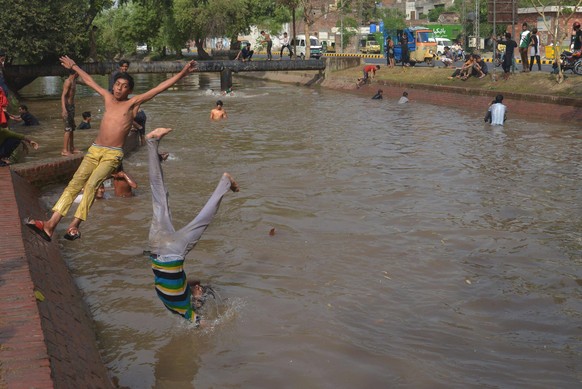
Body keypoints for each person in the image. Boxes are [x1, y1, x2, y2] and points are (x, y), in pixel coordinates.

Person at [24, 56, 198, 243]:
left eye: (124, 86)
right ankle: (50, 225)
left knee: (91, 185)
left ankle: (74, 225)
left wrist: (182, 73)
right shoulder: (108, 98)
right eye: (117, 84)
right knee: (74, 185)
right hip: (94, 150)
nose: (119, 88)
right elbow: (89, 80)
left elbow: (159, 88)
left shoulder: (132, 104)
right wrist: (74, 66)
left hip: (112, 153)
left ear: (129, 90)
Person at [145, 127, 239, 326]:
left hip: (174, 252)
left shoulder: (185, 310)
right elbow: (185, 282)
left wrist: (200, 302)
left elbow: (202, 325)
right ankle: (151, 142)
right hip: (155, 247)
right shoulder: (169, 300)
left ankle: (225, 183)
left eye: (198, 292)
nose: (198, 289)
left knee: (202, 220)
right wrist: (197, 288)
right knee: (159, 196)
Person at [61, 71, 79, 156]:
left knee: (72, 128)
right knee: (68, 129)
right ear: (75, 73)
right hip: (67, 107)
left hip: (72, 107)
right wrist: (64, 109)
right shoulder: (68, 81)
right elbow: (63, 96)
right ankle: (64, 150)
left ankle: (72, 148)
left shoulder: (74, 81)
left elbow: (86, 81)